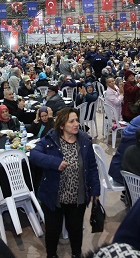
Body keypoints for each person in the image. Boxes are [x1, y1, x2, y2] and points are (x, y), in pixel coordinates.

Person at [29, 107, 100, 258]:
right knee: (53, 231)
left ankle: (76, 254)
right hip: (54, 196)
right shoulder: (51, 139)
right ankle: (52, 255)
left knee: (75, 230)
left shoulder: (84, 140)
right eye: (71, 121)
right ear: (62, 125)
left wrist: (95, 190)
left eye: (77, 120)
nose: (76, 124)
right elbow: (33, 155)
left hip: (77, 198)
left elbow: (92, 167)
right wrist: (54, 162)